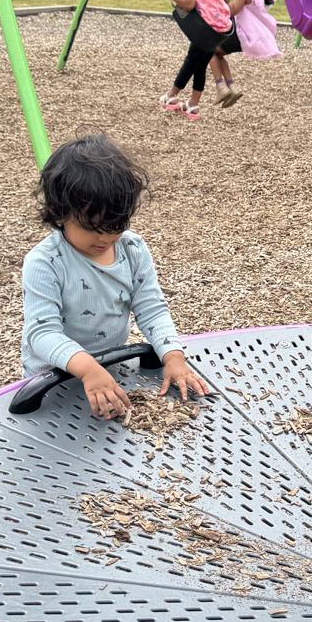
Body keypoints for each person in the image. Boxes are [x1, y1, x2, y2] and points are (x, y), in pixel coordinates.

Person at [21, 134, 210, 417]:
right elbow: (42, 333)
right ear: (60, 212)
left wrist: (172, 354)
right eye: (94, 226)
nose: (107, 237)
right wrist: (87, 369)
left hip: (106, 368)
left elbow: (151, 307)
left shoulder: (131, 248)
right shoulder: (45, 262)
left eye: (116, 225)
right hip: (52, 381)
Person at [157, 0, 241, 118]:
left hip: (206, 30)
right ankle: (193, 104)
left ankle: (171, 96)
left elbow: (188, 4)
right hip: (224, 29)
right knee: (200, 63)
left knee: (191, 61)